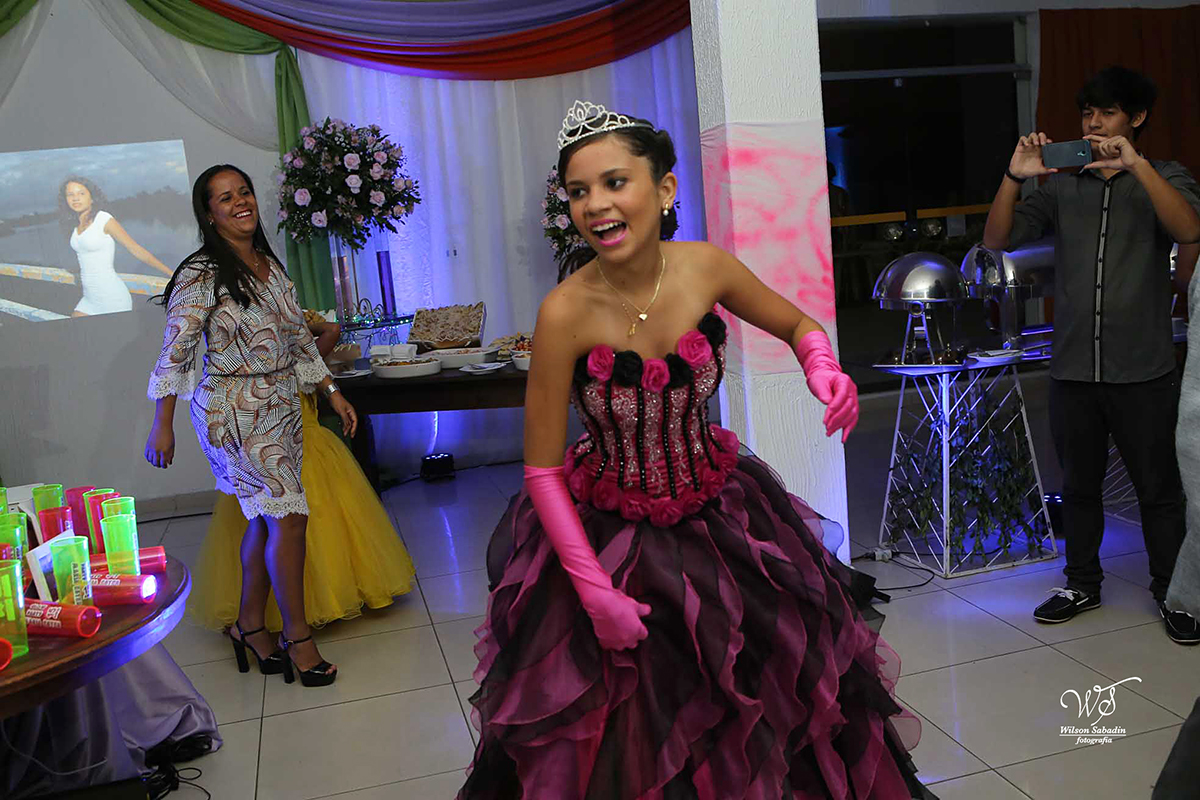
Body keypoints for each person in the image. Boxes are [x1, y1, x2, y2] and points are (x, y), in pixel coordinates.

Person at [458, 102, 933, 799]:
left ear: (665, 189)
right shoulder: (564, 311)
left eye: (614, 182)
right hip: (610, 541)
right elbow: (542, 470)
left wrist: (822, 366)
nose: (595, 205)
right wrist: (593, 594)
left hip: (722, 522)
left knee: (769, 710)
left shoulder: (705, 268)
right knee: (628, 740)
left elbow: (799, 323)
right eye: (579, 191)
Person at [982, 66, 1200, 643]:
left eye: (1106, 112)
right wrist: (1014, 175)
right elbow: (997, 241)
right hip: (1073, 365)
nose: (1095, 123)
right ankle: (1080, 582)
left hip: (1144, 366)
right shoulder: (1062, 186)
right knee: (1077, 484)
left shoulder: (1165, 176)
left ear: (1137, 118)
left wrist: (1137, 165)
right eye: (1087, 113)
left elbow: (1188, 227)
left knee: (1160, 489)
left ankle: (1172, 592)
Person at [144, 164, 357, 687]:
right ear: (209, 214)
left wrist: (332, 391)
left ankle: (249, 627)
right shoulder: (199, 274)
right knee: (289, 519)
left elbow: (300, 341)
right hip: (232, 411)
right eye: (225, 197)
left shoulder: (267, 264)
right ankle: (298, 638)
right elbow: (175, 353)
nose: (240, 202)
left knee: (265, 519)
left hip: (281, 404)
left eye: (244, 191)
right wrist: (162, 424)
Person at [187, 309, 417, 633]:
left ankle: (315, 604)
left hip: (309, 450)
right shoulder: (258, 372)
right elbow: (330, 331)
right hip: (276, 457)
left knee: (308, 525)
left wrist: (299, 323)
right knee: (282, 529)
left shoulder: (300, 362)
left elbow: (332, 330)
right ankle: (286, 614)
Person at [59, 176, 172, 316]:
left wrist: (171, 273)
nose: (76, 198)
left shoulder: (103, 219)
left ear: (92, 198)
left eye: (81, 193)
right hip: (89, 299)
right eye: (70, 194)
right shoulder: (75, 225)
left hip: (112, 298)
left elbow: (135, 249)